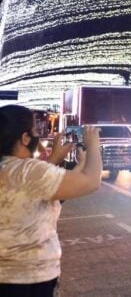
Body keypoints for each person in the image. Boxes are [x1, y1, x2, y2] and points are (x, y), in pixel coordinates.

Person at [0, 105, 102, 296]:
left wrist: (58, 159)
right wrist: (94, 145)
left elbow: (35, 189)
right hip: (31, 278)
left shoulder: (12, 169)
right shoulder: (30, 171)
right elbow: (91, 182)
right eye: (36, 131)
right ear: (24, 138)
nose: (38, 136)